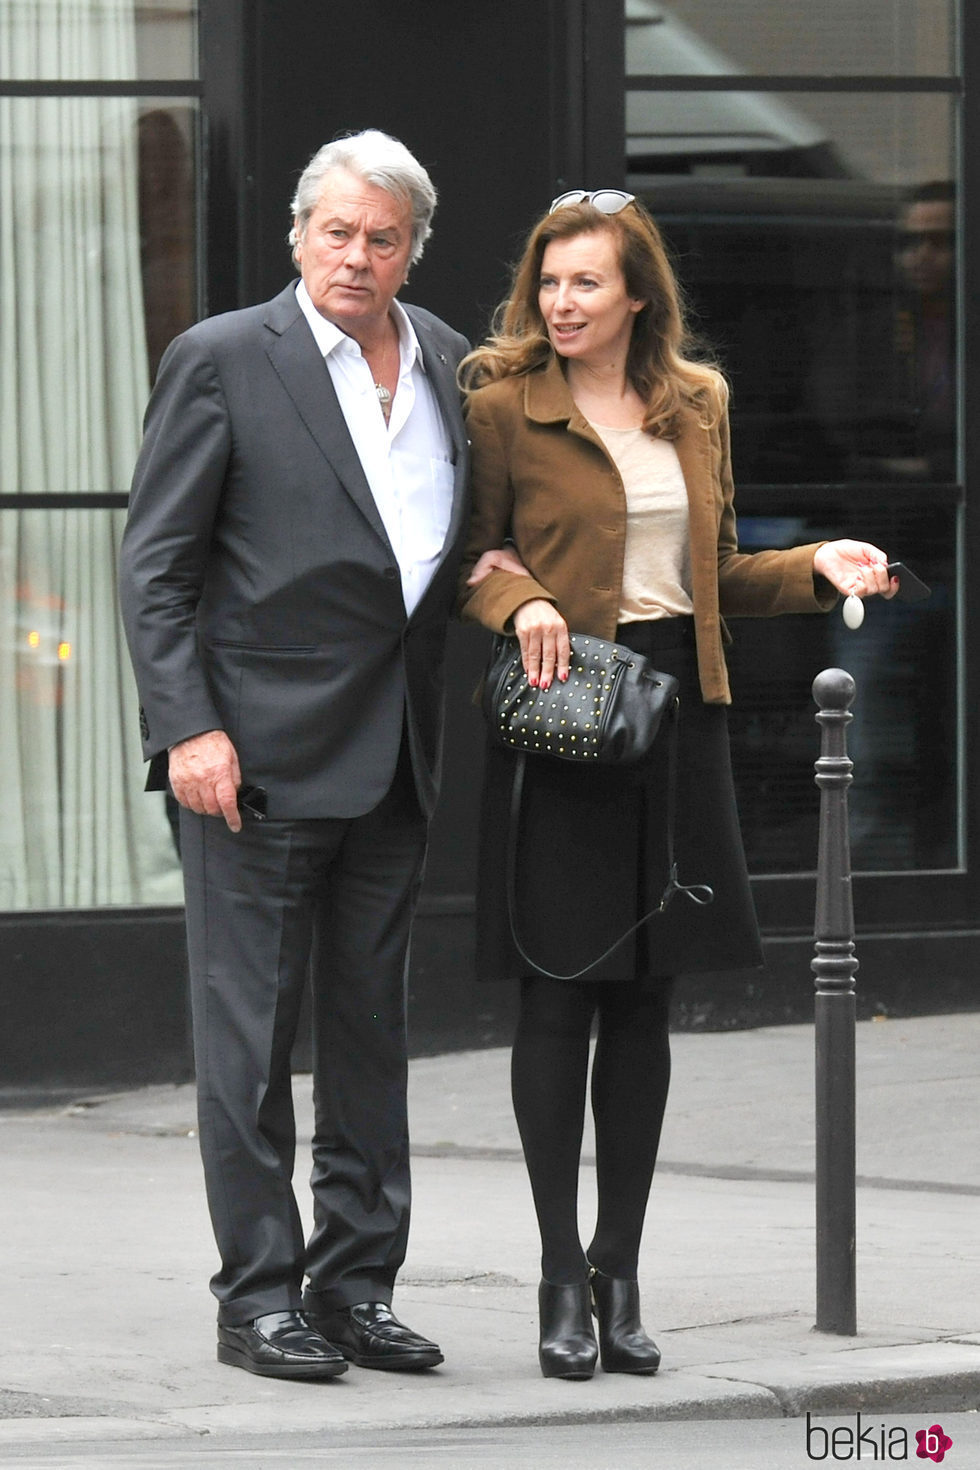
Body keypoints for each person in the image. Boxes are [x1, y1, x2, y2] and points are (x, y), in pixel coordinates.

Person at [457, 189, 895, 1381]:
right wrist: (525, 598)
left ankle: (619, 1269)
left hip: (674, 719)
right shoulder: (501, 407)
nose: (561, 303)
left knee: (646, 1004)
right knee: (557, 1001)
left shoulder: (694, 406)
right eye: (549, 282)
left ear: (636, 294)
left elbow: (715, 572)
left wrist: (815, 567)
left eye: (586, 283)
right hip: (565, 714)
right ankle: (556, 1274)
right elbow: (468, 562)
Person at [119, 130, 470, 1379]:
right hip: (248, 766)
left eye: (384, 238)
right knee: (250, 1043)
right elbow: (154, 569)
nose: (358, 258)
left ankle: (355, 1284)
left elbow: (449, 551)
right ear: (299, 235)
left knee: (372, 1036)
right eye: (338, 232)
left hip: (391, 759)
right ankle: (258, 1297)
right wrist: (187, 728)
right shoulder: (221, 359)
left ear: (413, 249)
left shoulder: (447, 360)